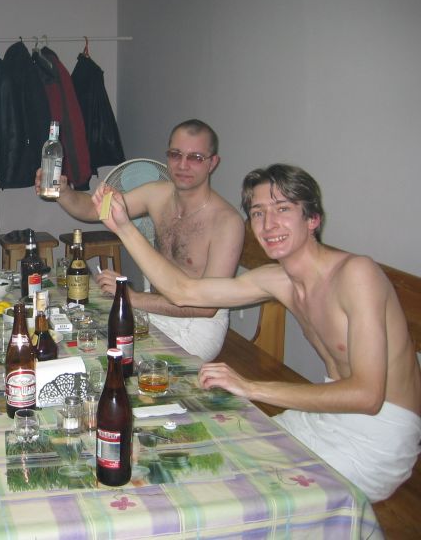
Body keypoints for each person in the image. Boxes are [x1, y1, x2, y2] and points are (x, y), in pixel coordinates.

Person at [96, 163, 421, 501]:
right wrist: (123, 227)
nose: (269, 223)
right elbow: (183, 292)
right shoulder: (278, 279)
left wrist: (250, 387)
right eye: (258, 212)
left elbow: (367, 396)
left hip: (380, 435)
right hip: (327, 418)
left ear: (313, 219)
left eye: (283, 209)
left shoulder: (357, 274)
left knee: (252, 493)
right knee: (215, 451)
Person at [37, 118, 244, 361]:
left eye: (195, 157)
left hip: (196, 327)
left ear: (212, 163)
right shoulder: (157, 193)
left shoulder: (227, 222)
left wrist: (133, 298)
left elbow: (207, 307)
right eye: (175, 154)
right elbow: (95, 210)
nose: (182, 165)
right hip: (150, 309)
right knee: (78, 337)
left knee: (114, 361)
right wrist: (63, 192)